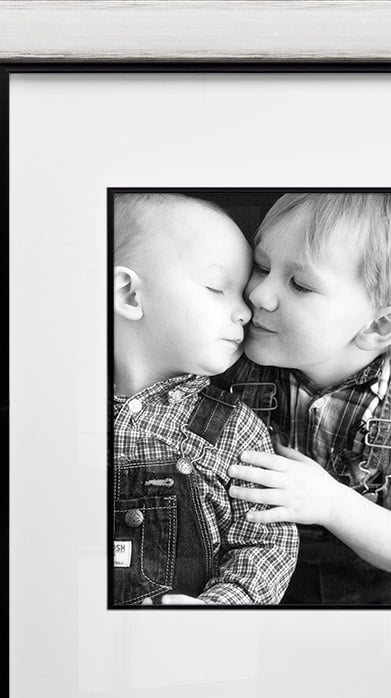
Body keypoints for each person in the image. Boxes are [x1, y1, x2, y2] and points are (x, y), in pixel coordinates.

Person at [216, 192, 391, 605]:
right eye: (261, 267)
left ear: (378, 325)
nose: (258, 295)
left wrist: (331, 504)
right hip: (244, 571)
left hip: (369, 590)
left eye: (300, 285)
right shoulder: (228, 365)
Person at [112, 193, 298, 606]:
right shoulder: (56, 409)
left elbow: (265, 544)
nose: (246, 312)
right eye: (217, 288)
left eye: (242, 294)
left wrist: (220, 607)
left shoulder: (233, 427)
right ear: (129, 295)